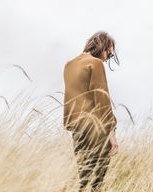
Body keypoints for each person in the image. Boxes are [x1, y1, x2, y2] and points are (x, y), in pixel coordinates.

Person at [63, 31, 119, 192]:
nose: (108, 56)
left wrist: (71, 125)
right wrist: (111, 132)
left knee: (84, 177)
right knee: (96, 181)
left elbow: (69, 98)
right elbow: (102, 98)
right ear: (102, 45)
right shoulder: (95, 63)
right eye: (109, 51)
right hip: (96, 127)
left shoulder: (68, 65)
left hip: (77, 129)